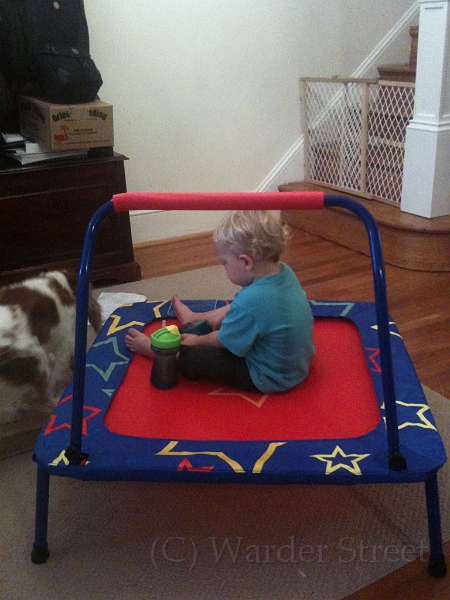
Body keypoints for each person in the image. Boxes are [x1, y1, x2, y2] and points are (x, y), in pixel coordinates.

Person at [125, 210, 315, 393]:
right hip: (297, 366)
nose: (224, 267)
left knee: (194, 357)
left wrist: (197, 341)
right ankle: (198, 318)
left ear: (246, 262)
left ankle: (159, 353)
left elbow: (222, 341)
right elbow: (251, 310)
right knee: (239, 310)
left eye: (225, 262)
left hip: (268, 376)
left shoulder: (250, 301)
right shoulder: (284, 271)